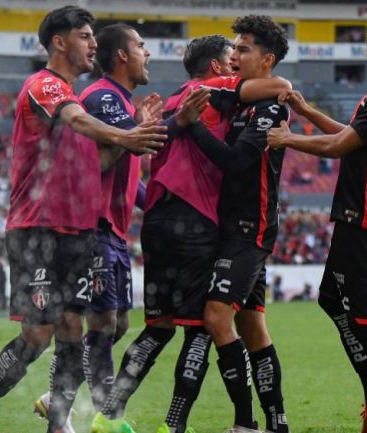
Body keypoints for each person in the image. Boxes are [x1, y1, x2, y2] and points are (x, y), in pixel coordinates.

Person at [0, 6, 168, 433]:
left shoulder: (75, 97)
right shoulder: (45, 85)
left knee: (75, 330)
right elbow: (74, 119)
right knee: (39, 336)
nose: (94, 44)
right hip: (35, 229)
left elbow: (103, 162)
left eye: (94, 37)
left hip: (77, 232)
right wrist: (129, 132)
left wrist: (129, 136)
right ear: (59, 42)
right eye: (85, 36)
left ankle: (58, 424)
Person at [91, 33, 290, 433]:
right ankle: (175, 426)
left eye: (241, 52)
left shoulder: (173, 98)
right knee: (201, 327)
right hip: (195, 222)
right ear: (217, 67)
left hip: (158, 222)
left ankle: (106, 416)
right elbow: (280, 86)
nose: (235, 60)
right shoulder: (211, 90)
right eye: (231, 55)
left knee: (159, 327)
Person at [268, 6, 367, 433]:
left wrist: (289, 137)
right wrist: (305, 111)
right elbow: (353, 137)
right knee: (331, 300)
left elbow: (342, 146)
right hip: (360, 216)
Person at [32, 23, 164, 429]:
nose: (148, 53)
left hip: (115, 233)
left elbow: (128, 176)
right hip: (93, 227)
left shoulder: (123, 103)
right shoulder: (104, 98)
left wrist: (161, 203)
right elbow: (107, 156)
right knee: (101, 325)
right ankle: (108, 418)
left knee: (117, 324)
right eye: (141, 46)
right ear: (122, 56)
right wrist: (148, 127)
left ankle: (58, 398)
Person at [187, 16, 292, 433]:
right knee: (252, 326)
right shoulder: (244, 101)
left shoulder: (270, 109)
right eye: (233, 47)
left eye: (243, 49)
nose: (234, 54)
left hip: (251, 227)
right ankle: (276, 422)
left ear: (267, 59)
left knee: (216, 317)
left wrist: (192, 125)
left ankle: (245, 423)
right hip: (233, 227)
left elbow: (234, 162)